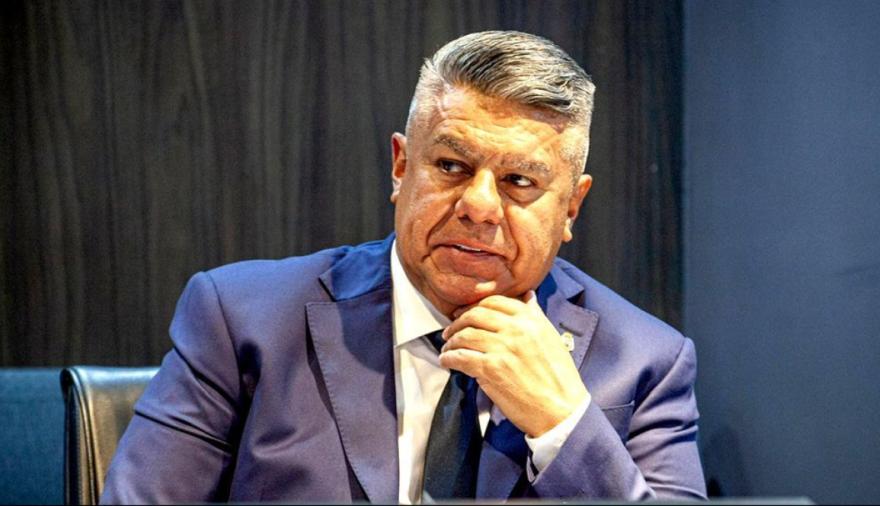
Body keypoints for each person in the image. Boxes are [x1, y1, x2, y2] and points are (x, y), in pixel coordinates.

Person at [101, 31, 706, 503]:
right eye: (451, 166)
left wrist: (563, 424)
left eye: (519, 181)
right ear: (401, 167)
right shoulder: (241, 320)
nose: (478, 206)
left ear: (571, 206)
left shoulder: (646, 362)